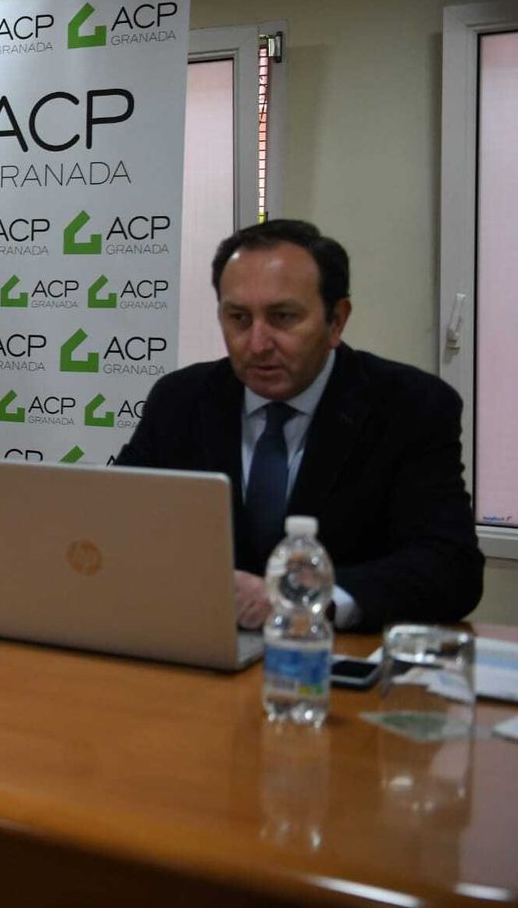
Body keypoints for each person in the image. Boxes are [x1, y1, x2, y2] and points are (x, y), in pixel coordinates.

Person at [115, 219, 482, 632]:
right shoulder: (180, 399)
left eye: (283, 317)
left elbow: (451, 567)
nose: (257, 344)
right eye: (238, 318)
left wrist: (304, 600)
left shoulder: (410, 405)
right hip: (198, 648)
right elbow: (114, 524)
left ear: (336, 321)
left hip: (329, 661)